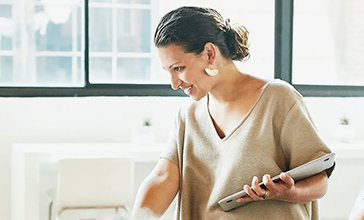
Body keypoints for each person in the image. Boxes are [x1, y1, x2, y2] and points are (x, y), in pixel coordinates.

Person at [131, 6, 335, 220]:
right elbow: (163, 177)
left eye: (178, 68)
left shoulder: (278, 99)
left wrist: (289, 192)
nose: (174, 84)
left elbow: (319, 181)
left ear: (210, 53)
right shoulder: (188, 118)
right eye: (168, 71)